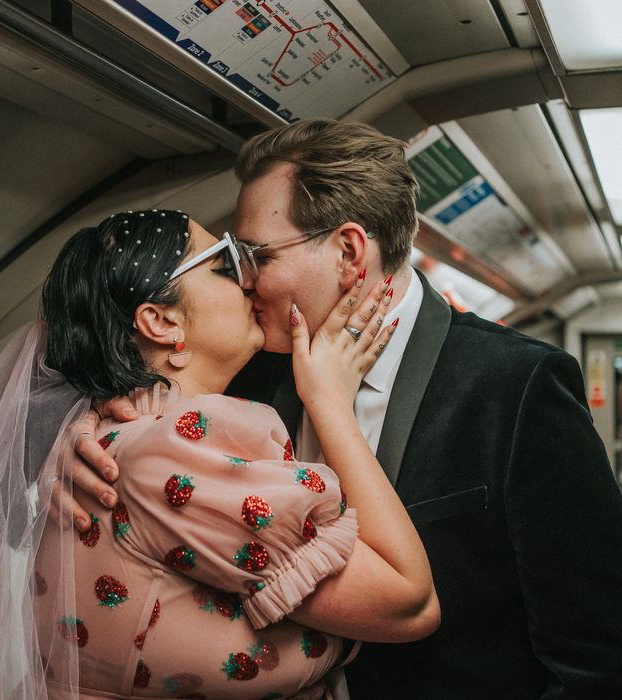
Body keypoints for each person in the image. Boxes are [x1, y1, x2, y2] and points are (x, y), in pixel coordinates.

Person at [65, 120, 622, 699]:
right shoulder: (248, 364)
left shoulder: (515, 383)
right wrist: (72, 446)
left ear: (350, 252)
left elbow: (596, 650)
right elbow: (135, 410)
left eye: (255, 254)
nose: (245, 280)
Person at [0, 209, 438, 700]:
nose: (251, 280)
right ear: (160, 321)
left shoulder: (110, 436)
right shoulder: (178, 445)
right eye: (224, 266)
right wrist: (330, 404)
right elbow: (407, 606)